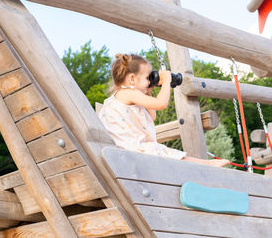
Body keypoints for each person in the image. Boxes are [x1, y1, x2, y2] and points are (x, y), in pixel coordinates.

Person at [98, 53, 229, 167]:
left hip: (123, 150)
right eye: (146, 78)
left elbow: (151, 117)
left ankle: (206, 164)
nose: (150, 82)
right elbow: (161, 104)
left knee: (163, 152)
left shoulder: (123, 96)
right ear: (132, 78)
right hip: (131, 150)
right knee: (167, 153)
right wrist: (166, 81)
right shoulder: (129, 93)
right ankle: (207, 164)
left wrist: (148, 92)